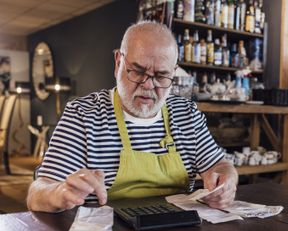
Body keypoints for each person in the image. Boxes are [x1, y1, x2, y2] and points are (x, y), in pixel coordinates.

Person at [26, 21, 238, 213]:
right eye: (137, 71)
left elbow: (220, 165)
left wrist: (226, 181)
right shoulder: (83, 114)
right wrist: (59, 193)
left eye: (161, 76)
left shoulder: (187, 114)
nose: (148, 85)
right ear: (118, 62)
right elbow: (37, 193)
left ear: (173, 73)